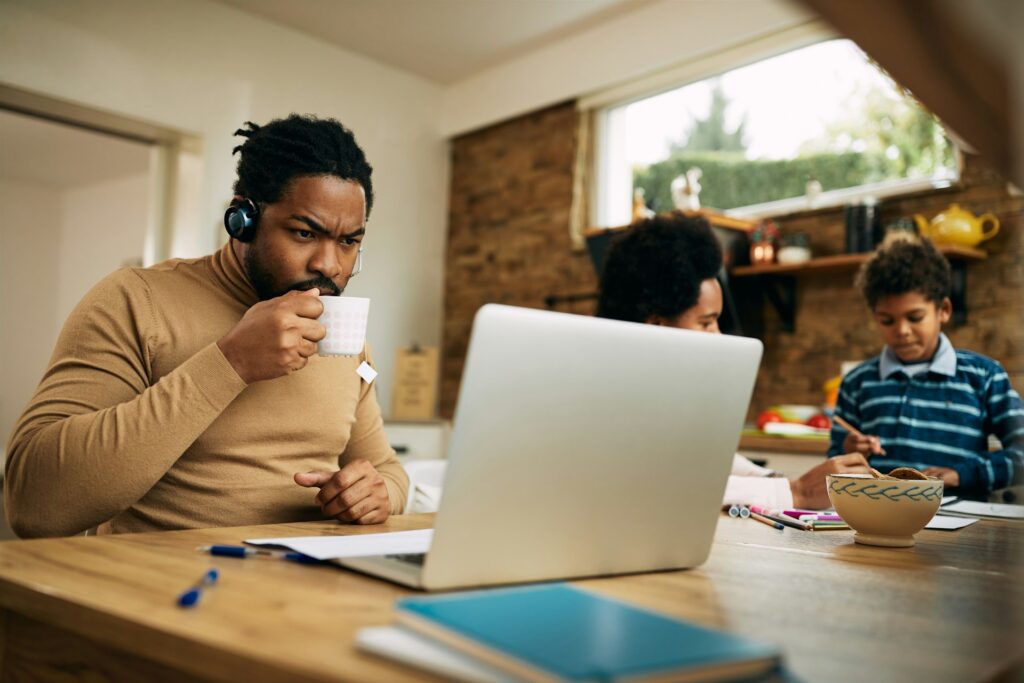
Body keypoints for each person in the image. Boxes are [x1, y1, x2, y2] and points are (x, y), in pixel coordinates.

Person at [5, 114, 409, 538]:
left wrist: (378, 493)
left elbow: (387, 470)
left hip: (309, 590)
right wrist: (229, 363)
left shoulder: (348, 341)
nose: (329, 265)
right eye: (305, 233)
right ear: (243, 219)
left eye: (348, 242)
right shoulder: (135, 301)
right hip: (166, 589)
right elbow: (34, 505)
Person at [597, 213, 871, 510]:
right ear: (657, 325)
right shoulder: (612, 397)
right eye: (706, 322)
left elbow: (703, 457)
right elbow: (668, 483)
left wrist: (775, 478)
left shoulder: (670, 386)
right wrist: (797, 491)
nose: (717, 334)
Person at [829, 234, 1024, 498]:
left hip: (958, 525)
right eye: (887, 320)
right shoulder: (857, 382)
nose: (902, 331)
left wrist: (962, 474)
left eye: (915, 317)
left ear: (943, 309)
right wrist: (849, 452)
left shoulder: (984, 376)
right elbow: (834, 467)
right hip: (879, 520)